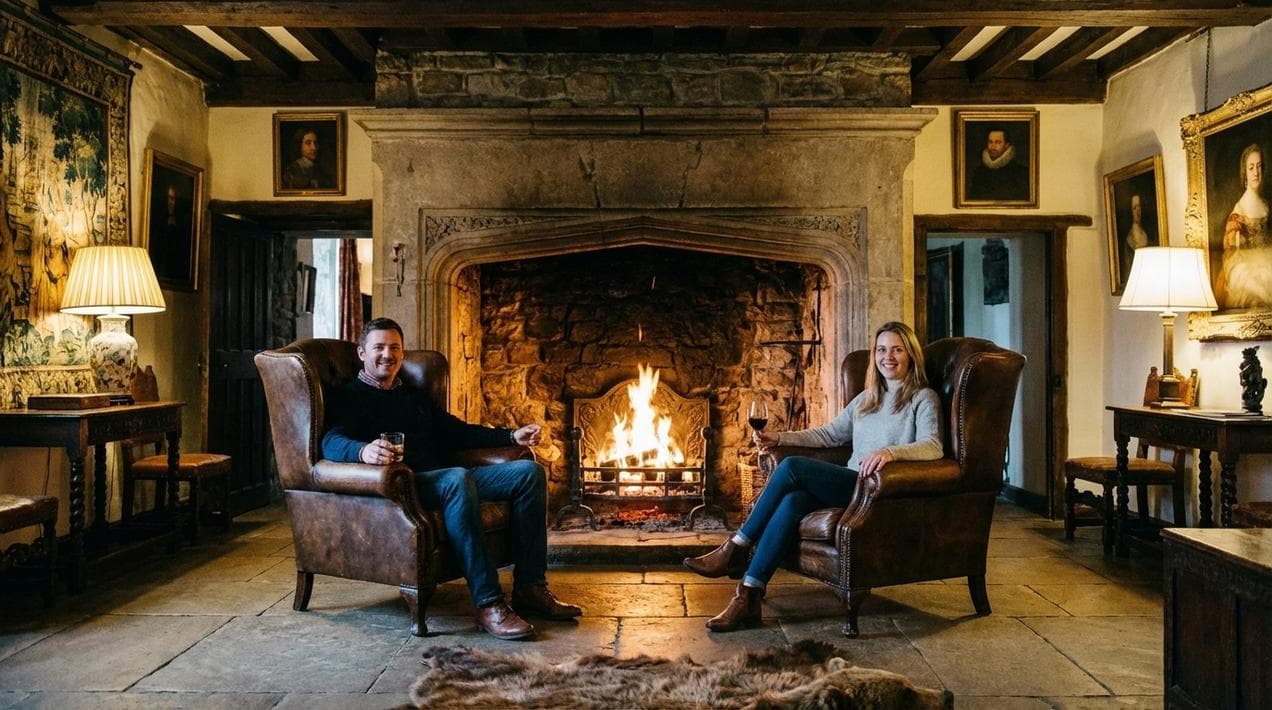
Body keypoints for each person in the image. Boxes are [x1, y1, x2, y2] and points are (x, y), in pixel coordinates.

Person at [321, 317, 582, 640]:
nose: (387, 354)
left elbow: (457, 432)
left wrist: (511, 435)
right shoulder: (347, 396)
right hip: (407, 486)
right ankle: (489, 604)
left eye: (394, 348)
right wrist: (362, 452)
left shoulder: (413, 396)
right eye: (379, 347)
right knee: (457, 479)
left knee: (528, 473)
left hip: (450, 478)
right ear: (362, 353)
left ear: (402, 354)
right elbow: (330, 441)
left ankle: (530, 588)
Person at [683, 321, 943, 631]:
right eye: (882, 350)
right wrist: (779, 438)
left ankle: (736, 546)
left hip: (878, 490)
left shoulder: (922, 398)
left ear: (911, 355)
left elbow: (933, 446)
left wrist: (890, 453)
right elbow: (829, 435)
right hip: (850, 484)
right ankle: (748, 595)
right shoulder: (866, 399)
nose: (889, 357)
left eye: (897, 350)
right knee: (793, 500)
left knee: (792, 467)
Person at [1214, 144, 1270, 309]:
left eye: (1259, 166)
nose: (1256, 172)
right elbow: (1231, 250)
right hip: (1246, 264)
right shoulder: (1239, 210)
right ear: (1244, 173)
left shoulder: (1266, 205)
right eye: (1251, 167)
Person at [967, 128, 1029, 201]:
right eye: (990, 142)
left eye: (998, 142)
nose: (993, 146)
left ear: (1007, 145)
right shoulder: (979, 172)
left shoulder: (1021, 172)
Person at [1121, 193, 1151, 281]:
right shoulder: (1129, 239)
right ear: (1130, 211)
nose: (1138, 212)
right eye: (1135, 208)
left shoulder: (1145, 233)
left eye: (1139, 208)